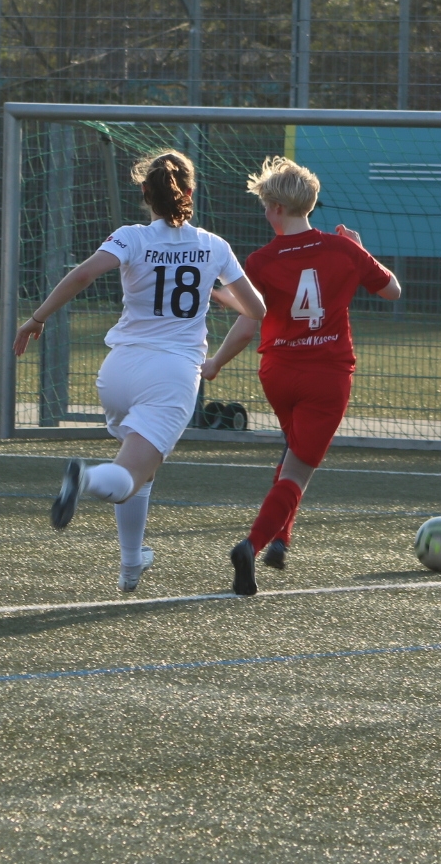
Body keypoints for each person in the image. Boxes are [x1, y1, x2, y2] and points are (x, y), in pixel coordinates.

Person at [14, 150, 266, 593]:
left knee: (142, 468)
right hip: (170, 375)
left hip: (118, 372)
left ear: (145, 194)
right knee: (125, 476)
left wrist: (37, 318)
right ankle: (85, 479)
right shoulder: (214, 246)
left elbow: (83, 275)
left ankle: (131, 564)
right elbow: (257, 310)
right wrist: (214, 300)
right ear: (190, 192)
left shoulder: (131, 237)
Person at [202, 156, 401, 596]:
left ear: (274, 207)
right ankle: (250, 546)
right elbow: (392, 291)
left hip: (278, 372)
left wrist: (215, 362)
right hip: (327, 375)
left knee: (293, 452)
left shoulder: (260, 260)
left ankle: (281, 539)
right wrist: (360, 248)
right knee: (298, 470)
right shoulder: (342, 249)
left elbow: (251, 321)